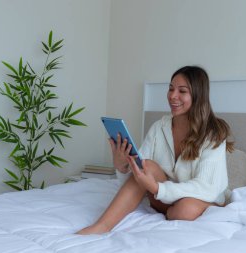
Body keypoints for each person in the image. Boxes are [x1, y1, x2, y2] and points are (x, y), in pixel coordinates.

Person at [77, 65, 233, 235]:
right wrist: (122, 167)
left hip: (199, 198)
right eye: (171, 89)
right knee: (146, 166)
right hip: (164, 200)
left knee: (185, 209)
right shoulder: (159, 127)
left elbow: (206, 187)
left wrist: (158, 189)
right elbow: (138, 179)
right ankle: (102, 226)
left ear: (198, 95)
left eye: (182, 91)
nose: (173, 96)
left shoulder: (213, 133)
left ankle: (194, 210)